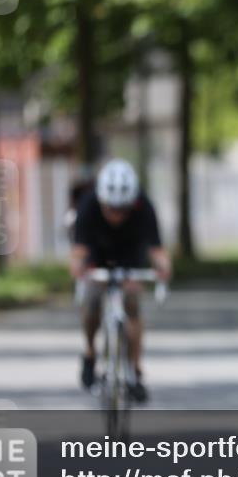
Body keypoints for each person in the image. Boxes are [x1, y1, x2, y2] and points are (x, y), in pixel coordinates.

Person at [69, 158, 171, 403]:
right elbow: (78, 252)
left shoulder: (144, 206)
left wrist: (163, 270)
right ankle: (90, 352)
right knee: (92, 300)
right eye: (111, 209)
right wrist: (79, 270)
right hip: (97, 253)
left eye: (122, 210)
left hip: (130, 254)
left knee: (132, 302)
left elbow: (158, 252)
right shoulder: (88, 205)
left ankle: (135, 370)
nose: (116, 215)